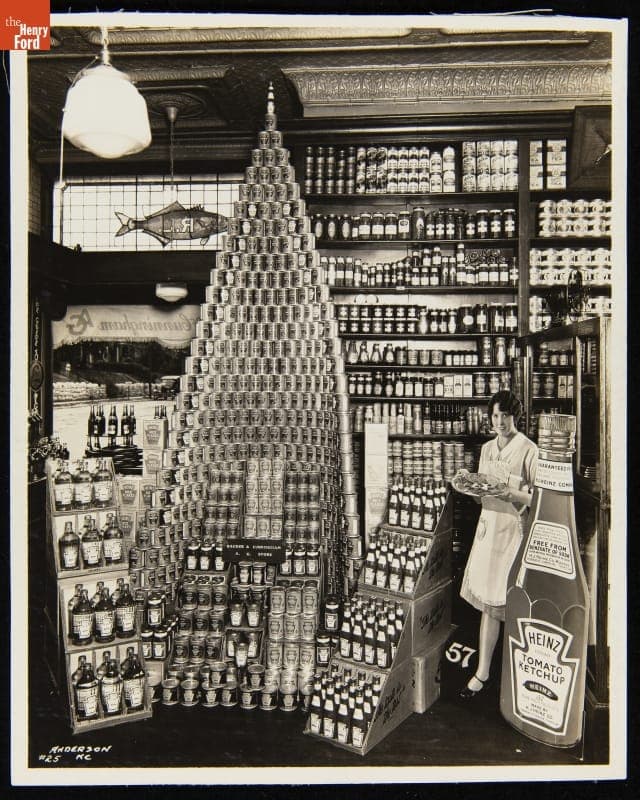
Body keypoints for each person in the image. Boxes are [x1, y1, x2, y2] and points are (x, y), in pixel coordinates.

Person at [457, 390, 538, 699]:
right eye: (495, 416)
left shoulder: (528, 450)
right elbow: (482, 495)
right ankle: (483, 672)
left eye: (506, 415)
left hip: (515, 532)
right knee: (489, 606)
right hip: (489, 530)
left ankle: (520, 678)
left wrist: (511, 494)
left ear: (515, 416)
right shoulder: (488, 449)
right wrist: (468, 484)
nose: (500, 422)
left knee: (514, 603)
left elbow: (539, 497)